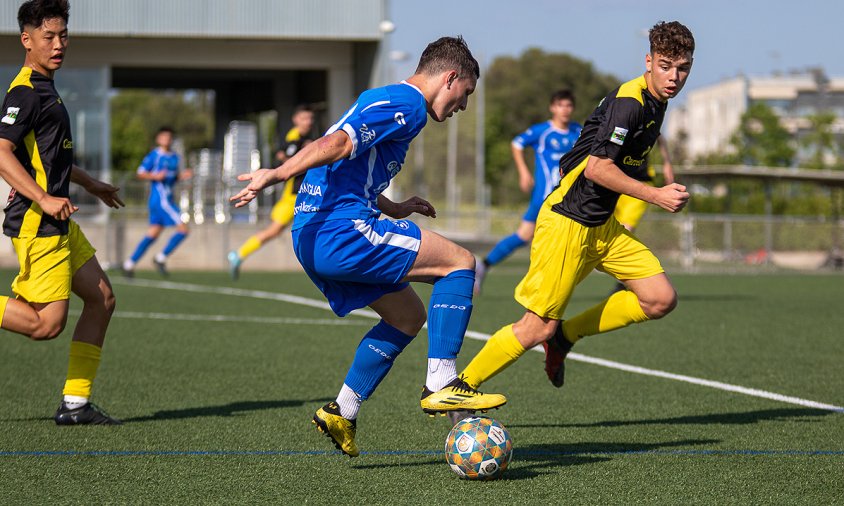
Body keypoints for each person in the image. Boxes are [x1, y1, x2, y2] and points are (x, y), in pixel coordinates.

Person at [231, 36, 506, 457]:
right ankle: (442, 381)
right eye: (465, 94)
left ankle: (342, 409)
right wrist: (277, 173)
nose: (463, 106)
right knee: (459, 263)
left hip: (313, 235)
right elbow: (337, 144)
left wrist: (393, 207)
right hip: (339, 231)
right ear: (450, 78)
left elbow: (347, 166)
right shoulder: (409, 103)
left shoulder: (389, 102)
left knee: (408, 317)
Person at [457, 21, 694, 394]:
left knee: (660, 298)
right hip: (569, 221)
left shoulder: (656, 103)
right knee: (536, 327)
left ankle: (566, 337)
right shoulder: (630, 104)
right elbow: (599, 169)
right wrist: (656, 194)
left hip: (602, 225)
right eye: (666, 65)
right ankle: (459, 387)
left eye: (683, 68)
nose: (674, 77)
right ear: (648, 61)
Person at [0, 0, 124, 425]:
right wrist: (43, 198)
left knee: (102, 298)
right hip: (40, 223)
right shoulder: (25, 92)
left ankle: (75, 405)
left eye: (63, 35)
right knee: (44, 325)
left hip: (59, 220)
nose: (58, 44)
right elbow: (1, 153)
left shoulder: (47, 90)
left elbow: (51, 159)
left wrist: (91, 184)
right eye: (48, 36)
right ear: (27, 39)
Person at [474, 90, 582, 293]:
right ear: (552, 108)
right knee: (528, 235)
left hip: (569, 196)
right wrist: (524, 172)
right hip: (545, 196)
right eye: (560, 105)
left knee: (536, 236)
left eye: (568, 105)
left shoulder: (577, 131)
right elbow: (516, 144)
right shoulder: (543, 131)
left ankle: (485, 265)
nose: (565, 110)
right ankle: (487, 266)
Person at [227, 105, 315, 280]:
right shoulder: (295, 138)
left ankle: (238, 255)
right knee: (275, 231)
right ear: (295, 119)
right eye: (304, 118)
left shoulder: (305, 138)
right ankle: (238, 254)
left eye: (311, 118)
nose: (308, 122)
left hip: (303, 193)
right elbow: (288, 161)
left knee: (282, 231)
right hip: (294, 196)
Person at [121, 126, 192, 278]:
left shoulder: (175, 158)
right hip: (161, 200)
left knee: (153, 233)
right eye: (164, 136)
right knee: (184, 229)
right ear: (158, 139)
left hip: (166, 199)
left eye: (169, 137)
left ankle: (129, 263)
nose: (167, 139)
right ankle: (160, 258)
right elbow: (140, 173)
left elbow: (171, 179)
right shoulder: (154, 155)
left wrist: (182, 176)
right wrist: (154, 176)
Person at [610, 136, 674, 293]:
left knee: (625, 230)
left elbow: (658, 136)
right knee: (608, 231)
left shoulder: (646, 115)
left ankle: (623, 281)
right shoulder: (617, 116)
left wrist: (667, 163)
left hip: (641, 182)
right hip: (615, 180)